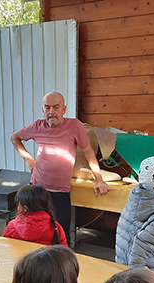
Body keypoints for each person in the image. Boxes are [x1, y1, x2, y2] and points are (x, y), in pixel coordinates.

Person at [9, 92, 109, 240]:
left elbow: (89, 153)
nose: (51, 112)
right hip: (36, 189)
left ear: (64, 109)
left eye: (56, 107)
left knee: (60, 235)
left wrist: (99, 179)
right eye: (47, 107)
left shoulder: (75, 126)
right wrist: (29, 159)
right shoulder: (37, 126)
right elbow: (14, 138)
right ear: (43, 110)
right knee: (31, 232)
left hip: (60, 192)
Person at [3, 184, 67, 246]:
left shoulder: (11, 227)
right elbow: (64, 250)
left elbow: (5, 248)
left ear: (25, 207)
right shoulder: (55, 226)